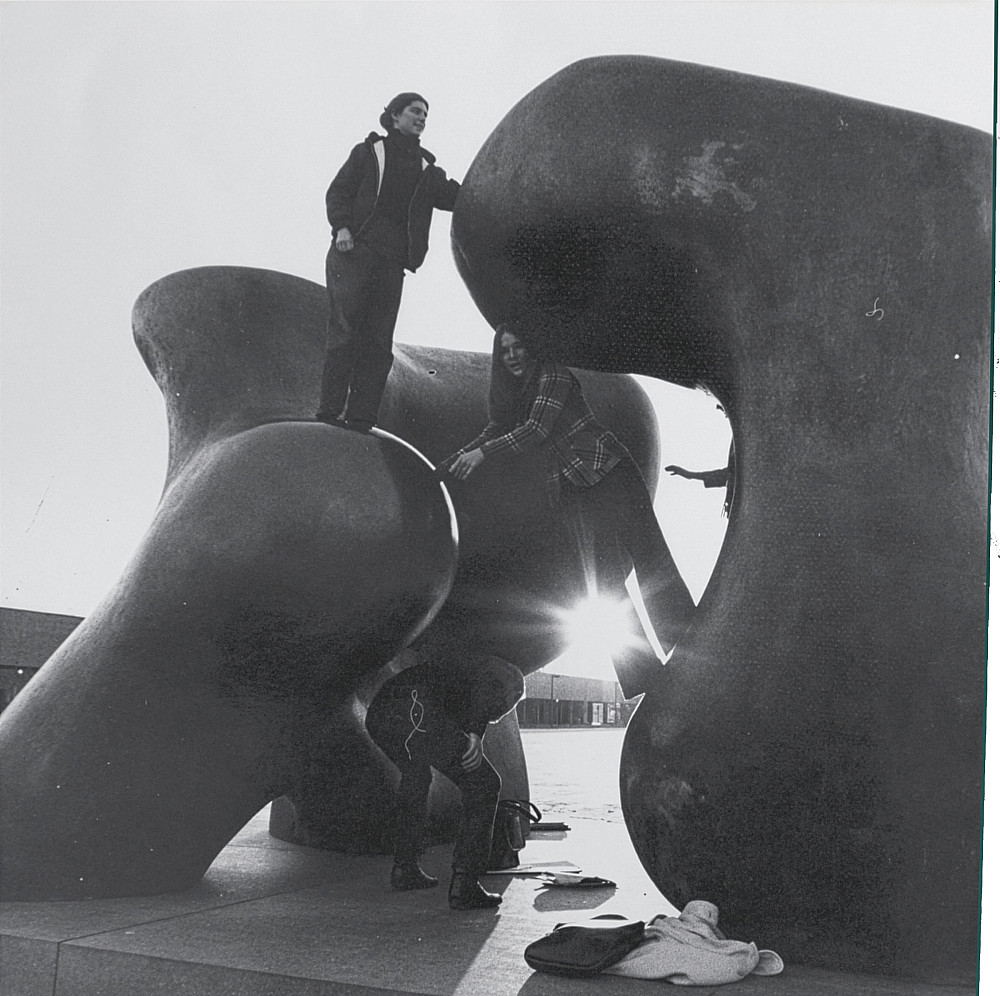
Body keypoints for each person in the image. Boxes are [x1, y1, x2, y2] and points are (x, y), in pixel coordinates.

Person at [441, 322, 696, 698]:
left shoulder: (554, 376)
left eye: (518, 347)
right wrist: (453, 461)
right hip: (578, 490)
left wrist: (482, 454)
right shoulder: (517, 391)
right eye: (504, 350)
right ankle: (644, 678)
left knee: (649, 558)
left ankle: (690, 650)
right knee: (603, 583)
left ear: (532, 347)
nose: (511, 356)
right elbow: (495, 429)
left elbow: (536, 430)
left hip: (609, 473)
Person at [317, 92, 461, 431]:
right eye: (415, 111)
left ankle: (362, 416)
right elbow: (338, 192)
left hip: (392, 262)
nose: (422, 118)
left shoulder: (427, 170)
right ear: (395, 116)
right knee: (345, 333)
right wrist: (342, 228)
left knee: (379, 342)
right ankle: (329, 411)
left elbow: (457, 196)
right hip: (355, 251)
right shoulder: (369, 152)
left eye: (425, 114)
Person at [365, 651, 524, 910]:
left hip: (381, 714)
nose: (499, 717)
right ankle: (466, 884)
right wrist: (476, 733)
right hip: (416, 709)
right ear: (511, 695)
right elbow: (488, 688)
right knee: (484, 783)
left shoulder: (456, 676)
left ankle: (405, 868)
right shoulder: (505, 676)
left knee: (416, 777)